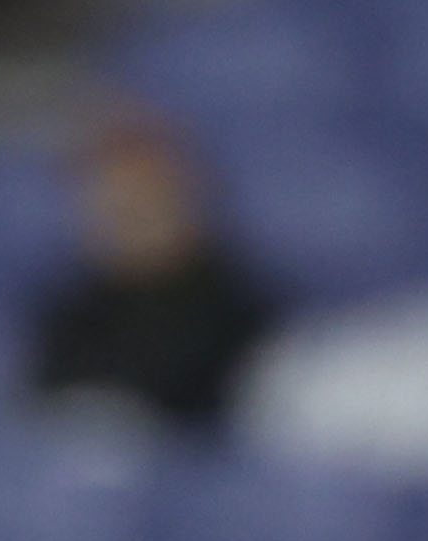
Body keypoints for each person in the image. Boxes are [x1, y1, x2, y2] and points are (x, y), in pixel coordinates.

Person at [29, 103, 278, 428]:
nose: (137, 220)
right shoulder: (67, 326)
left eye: (151, 199)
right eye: (120, 207)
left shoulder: (247, 308)